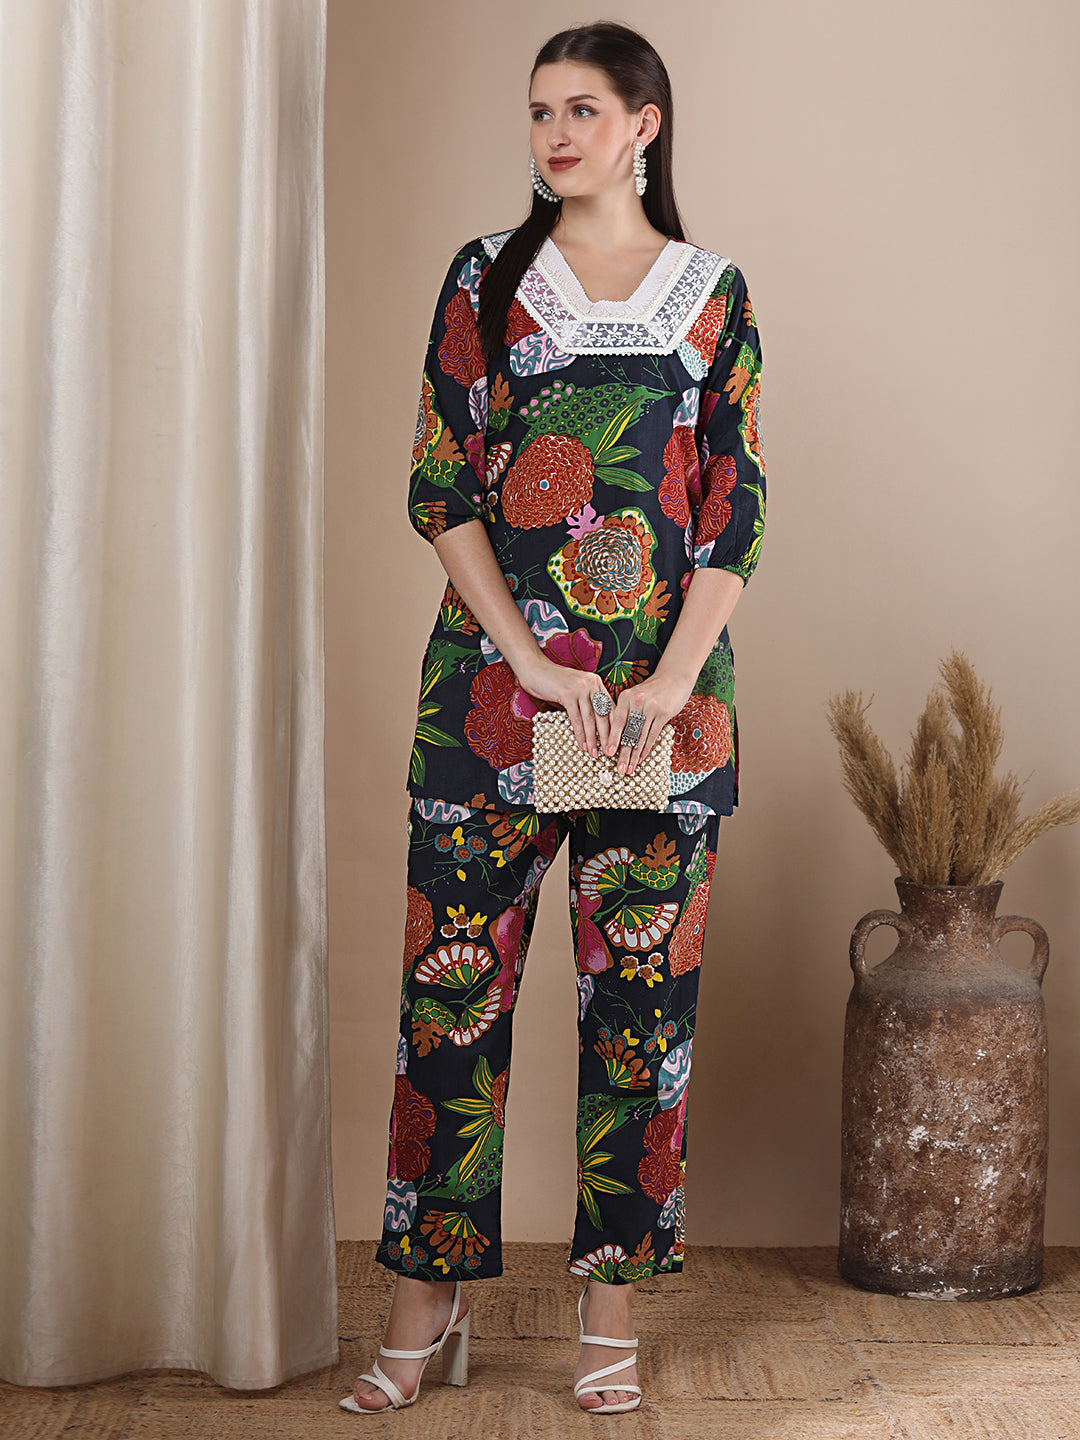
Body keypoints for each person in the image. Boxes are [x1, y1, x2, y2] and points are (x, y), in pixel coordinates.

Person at [340, 18, 765, 1418]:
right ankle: (427, 1305)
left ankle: (610, 1318)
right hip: (489, 709)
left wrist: (668, 684)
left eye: (583, 109)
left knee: (642, 1029)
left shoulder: (713, 295)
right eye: (539, 112)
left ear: (645, 123)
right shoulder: (486, 280)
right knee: (447, 1015)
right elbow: (442, 485)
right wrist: (526, 659)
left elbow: (735, 512)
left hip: (659, 724)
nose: (556, 134)